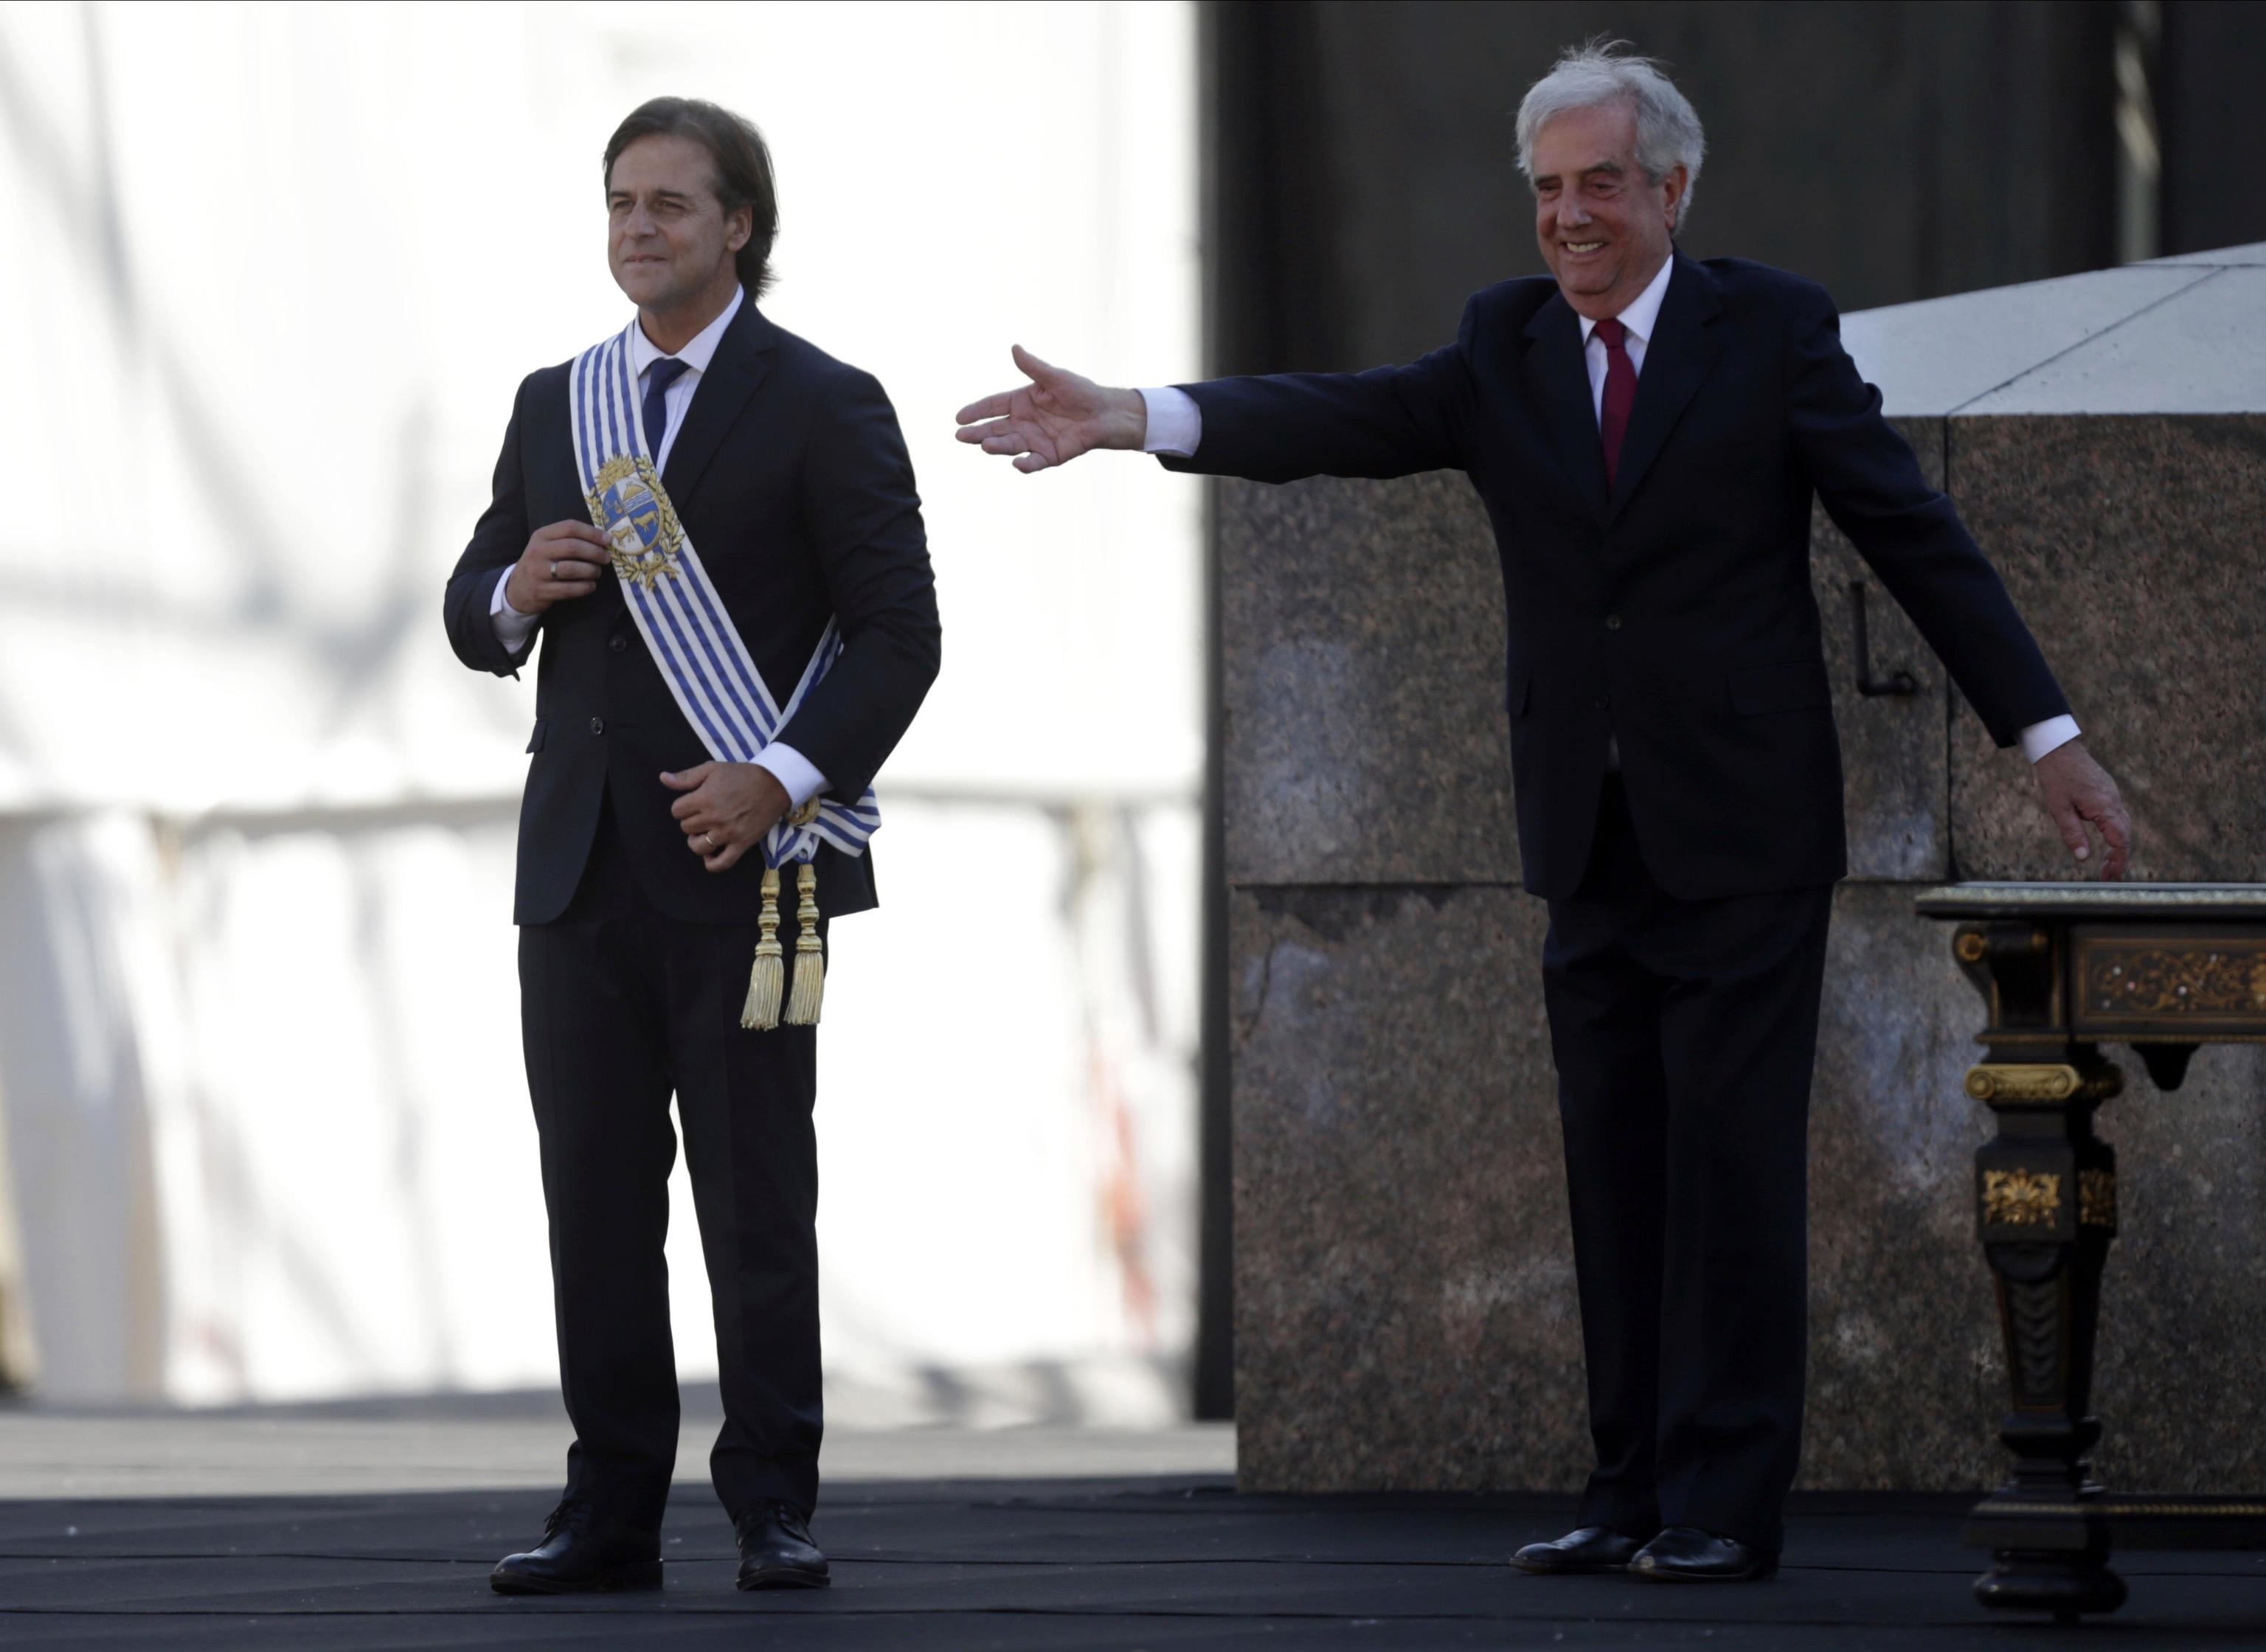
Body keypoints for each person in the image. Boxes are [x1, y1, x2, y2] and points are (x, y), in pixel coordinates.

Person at [954, 43, 2130, 1583]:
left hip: (1746, 831)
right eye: (1549, 189)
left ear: (1671, 189)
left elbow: (1910, 529)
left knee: (1732, 1169)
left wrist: (2045, 732)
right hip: (1584, 827)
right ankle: (1628, 1487)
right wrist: (1133, 415)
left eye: (1599, 185)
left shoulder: (1766, 330)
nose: (1569, 217)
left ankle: (1723, 1503)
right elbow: (1350, 417)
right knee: (1614, 1163)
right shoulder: (1502, 341)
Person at [444, 97, 940, 1594]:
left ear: (741, 224)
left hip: (746, 869)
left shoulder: (823, 400)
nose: (639, 227)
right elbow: (475, 604)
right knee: (592, 1195)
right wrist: (516, 590)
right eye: (620, 202)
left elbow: (898, 636)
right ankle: (610, 1509)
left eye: (670, 202)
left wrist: (780, 779)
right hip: (577, 866)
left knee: (750, 1193)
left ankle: (772, 1498)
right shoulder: (558, 402)